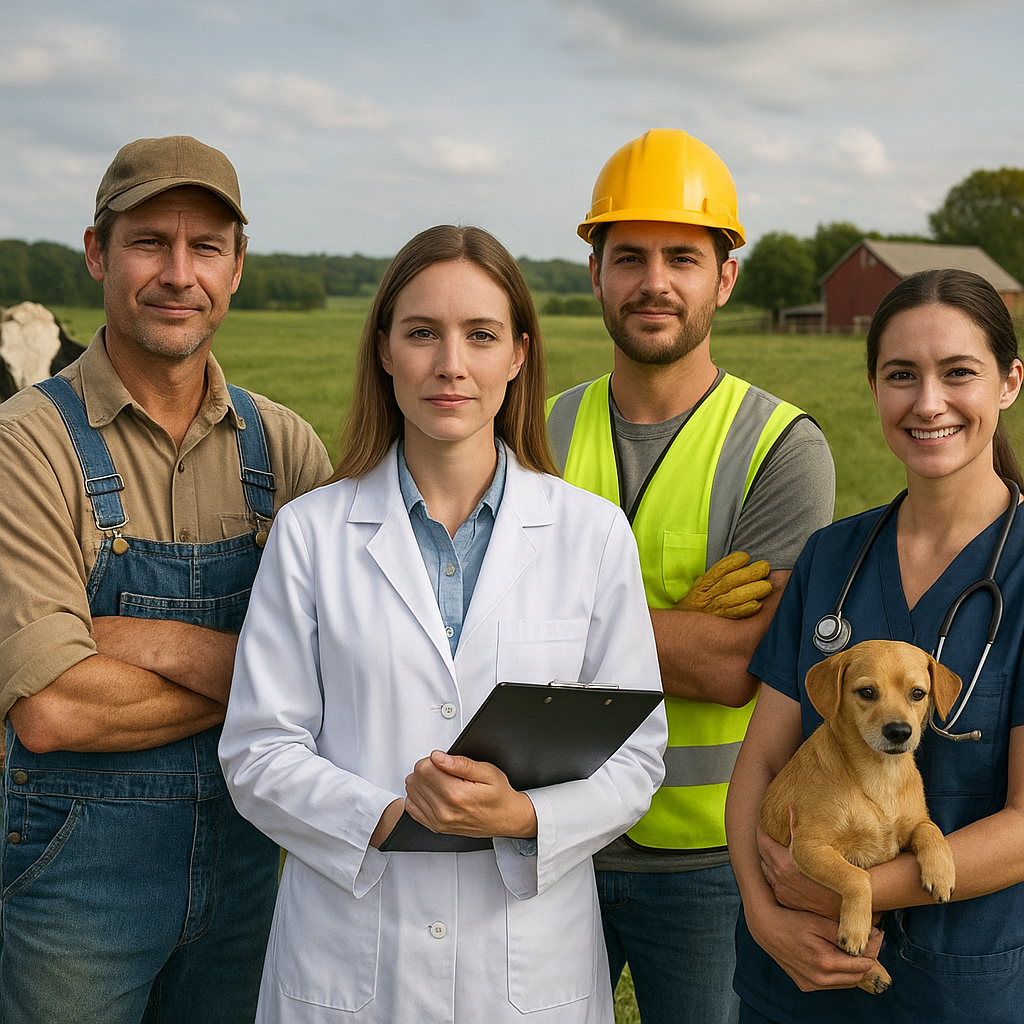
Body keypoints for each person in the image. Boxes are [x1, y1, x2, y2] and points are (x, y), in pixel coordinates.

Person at [218, 224, 668, 1024]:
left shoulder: (592, 535)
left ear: (520, 354)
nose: (450, 364)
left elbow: (636, 755)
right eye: (422, 332)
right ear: (385, 349)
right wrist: (390, 820)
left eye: (481, 335)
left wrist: (524, 818)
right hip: (350, 959)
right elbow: (259, 749)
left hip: (527, 970)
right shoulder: (312, 534)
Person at [0, 135, 331, 1023]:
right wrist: (270, 679)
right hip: (75, 888)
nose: (177, 273)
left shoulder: (287, 449)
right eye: (149, 241)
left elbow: (345, 671)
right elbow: (54, 707)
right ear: (99, 252)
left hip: (249, 873)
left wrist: (150, 641)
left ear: (236, 267)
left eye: (205, 247)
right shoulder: (25, 444)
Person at [546, 129, 836, 1024]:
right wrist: (679, 619)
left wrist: (557, 618)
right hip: (553, 841)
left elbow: (734, 665)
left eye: (683, 256)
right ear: (595, 273)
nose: (654, 282)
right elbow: (474, 628)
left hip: (712, 857)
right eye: (627, 256)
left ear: (727, 276)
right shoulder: (540, 431)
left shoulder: (782, 447)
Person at [726, 268, 1024, 1023]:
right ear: (874, 387)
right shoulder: (833, 557)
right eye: (901, 375)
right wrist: (766, 915)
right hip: (791, 977)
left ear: (1009, 383)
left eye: (959, 373)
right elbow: (759, 763)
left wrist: (842, 887)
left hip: (957, 985)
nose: (928, 402)